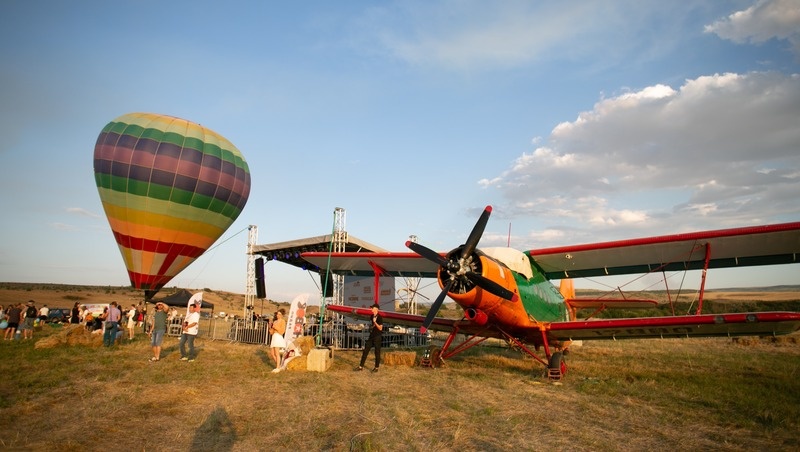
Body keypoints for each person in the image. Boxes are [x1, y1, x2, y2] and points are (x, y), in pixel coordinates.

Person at [356, 303, 384, 372]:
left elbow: (380, 328)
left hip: (377, 336)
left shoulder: (380, 317)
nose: (371, 309)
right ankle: (360, 366)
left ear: (376, 309)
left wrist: (375, 322)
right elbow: (372, 325)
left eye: (372, 308)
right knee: (365, 351)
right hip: (371, 336)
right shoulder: (371, 316)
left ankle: (376, 367)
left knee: (377, 352)